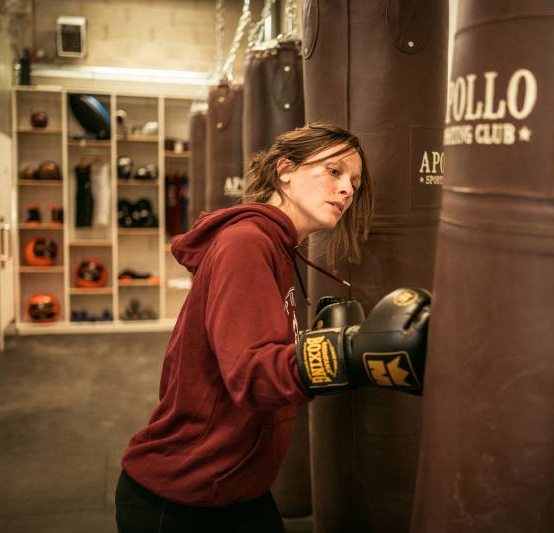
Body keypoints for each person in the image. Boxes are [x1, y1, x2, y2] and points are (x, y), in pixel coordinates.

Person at [114, 122, 430, 532]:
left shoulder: (280, 250)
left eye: (354, 181)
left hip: (237, 486)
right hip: (183, 496)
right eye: (334, 171)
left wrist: (323, 346)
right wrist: (347, 353)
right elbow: (251, 376)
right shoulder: (246, 243)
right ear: (285, 170)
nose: (348, 190)